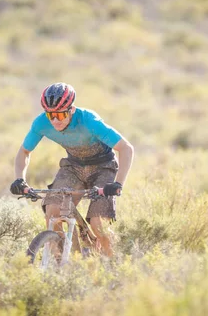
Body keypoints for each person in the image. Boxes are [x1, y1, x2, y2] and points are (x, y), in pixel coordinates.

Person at [10, 82, 134, 257]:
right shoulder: (41, 123)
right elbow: (24, 152)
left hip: (103, 166)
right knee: (53, 214)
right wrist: (19, 179)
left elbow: (126, 148)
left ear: (72, 109)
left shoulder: (89, 121)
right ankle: (67, 263)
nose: (54, 120)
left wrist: (118, 184)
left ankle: (112, 263)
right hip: (73, 165)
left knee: (98, 224)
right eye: (50, 114)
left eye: (60, 114)